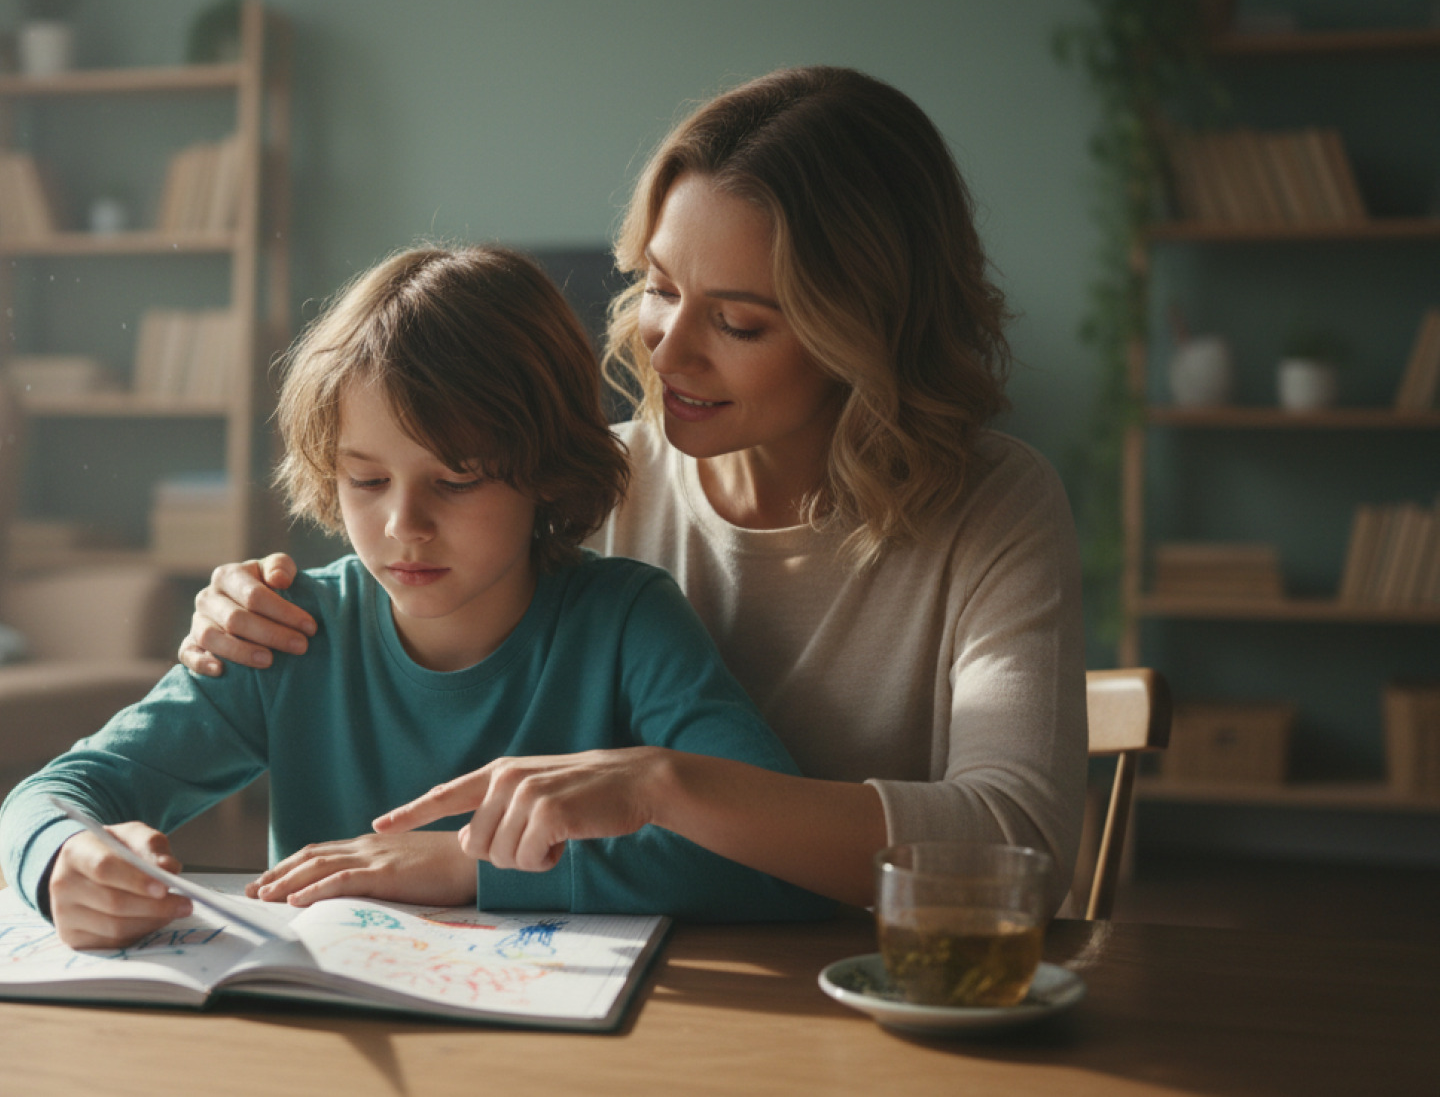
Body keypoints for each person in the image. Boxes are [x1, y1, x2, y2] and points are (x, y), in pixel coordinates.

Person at [177, 66, 1089, 910]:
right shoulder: (581, 478)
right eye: (658, 286)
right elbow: (410, 609)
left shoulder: (992, 506)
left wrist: (665, 785)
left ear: (868, 332)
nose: (668, 346)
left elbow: (1021, 848)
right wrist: (250, 617)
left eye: (736, 321)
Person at [0, 244, 831, 950]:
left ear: (544, 471)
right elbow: (56, 791)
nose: (405, 524)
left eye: (457, 479)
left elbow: (777, 858)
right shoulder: (287, 631)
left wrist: (469, 866)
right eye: (366, 478)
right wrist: (62, 858)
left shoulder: (627, 621)